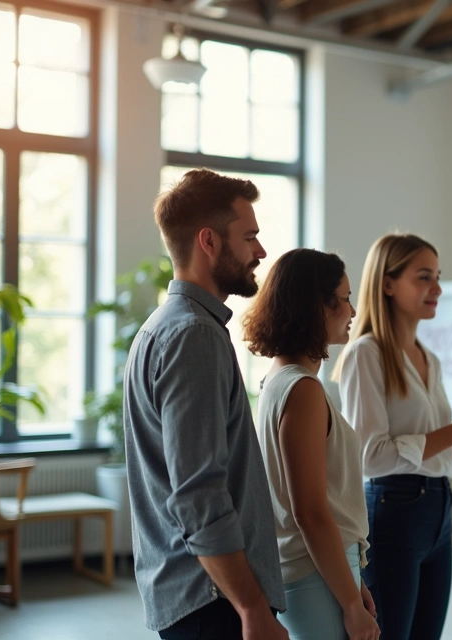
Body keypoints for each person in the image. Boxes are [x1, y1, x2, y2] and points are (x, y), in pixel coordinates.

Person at [123, 168, 288, 639]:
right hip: (215, 605)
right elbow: (198, 495)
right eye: (250, 237)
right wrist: (252, 608)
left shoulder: (166, 326)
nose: (260, 251)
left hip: (202, 599)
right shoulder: (193, 335)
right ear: (209, 242)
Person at [333, 233, 452, 640]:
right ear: (387, 283)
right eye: (424, 277)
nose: (437, 289)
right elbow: (370, 457)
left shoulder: (428, 358)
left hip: (439, 508)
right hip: (393, 509)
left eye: (437, 277)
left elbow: (439, 450)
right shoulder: (364, 354)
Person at [243, 249, 379, 640]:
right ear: (318, 305)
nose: (353, 311)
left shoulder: (280, 378)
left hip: (320, 570)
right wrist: (351, 604)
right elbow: (311, 513)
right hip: (311, 572)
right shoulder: (301, 389)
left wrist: (354, 583)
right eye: (346, 297)